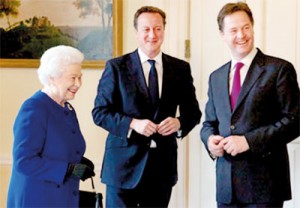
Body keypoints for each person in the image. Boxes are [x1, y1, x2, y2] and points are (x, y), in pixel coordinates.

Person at [92, 6, 201, 208]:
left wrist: (178, 123)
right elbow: (100, 113)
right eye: (146, 29)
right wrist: (133, 124)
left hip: (162, 168)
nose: (152, 35)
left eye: (158, 29)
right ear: (137, 32)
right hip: (122, 169)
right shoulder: (116, 67)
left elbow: (193, 113)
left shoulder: (180, 69)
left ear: (164, 30)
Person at [200, 2, 300, 208]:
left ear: (253, 27)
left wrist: (249, 141)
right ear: (222, 34)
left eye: (245, 27)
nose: (241, 35)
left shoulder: (279, 69)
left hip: (265, 187)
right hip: (226, 188)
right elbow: (209, 123)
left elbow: (294, 121)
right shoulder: (216, 77)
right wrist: (209, 140)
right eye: (233, 30)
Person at [7, 45, 95, 207]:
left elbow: (55, 149)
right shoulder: (34, 108)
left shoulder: (66, 108)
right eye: (73, 78)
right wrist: (68, 169)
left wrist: (79, 162)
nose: (78, 84)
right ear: (53, 77)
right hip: (37, 199)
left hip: (61, 198)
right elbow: (24, 161)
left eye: (80, 77)